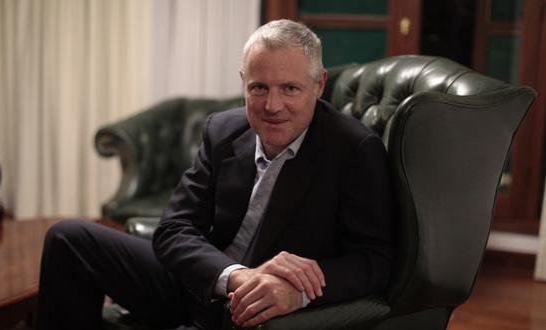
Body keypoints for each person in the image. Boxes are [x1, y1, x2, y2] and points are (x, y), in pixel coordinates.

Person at [36, 19, 394, 330]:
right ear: (243, 83)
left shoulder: (354, 150)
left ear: (318, 85)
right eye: (259, 87)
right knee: (67, 238)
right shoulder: (223, 130)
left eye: (290, 88)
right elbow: (174, 229)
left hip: (250, 313)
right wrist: (235, 275)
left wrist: (297, 292)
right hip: (208, 279)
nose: (272, 106)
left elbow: (375, 260)